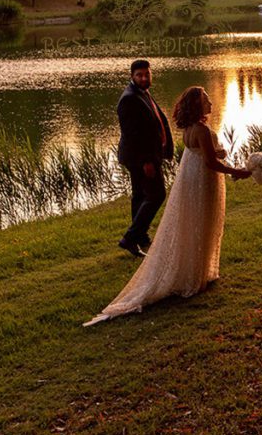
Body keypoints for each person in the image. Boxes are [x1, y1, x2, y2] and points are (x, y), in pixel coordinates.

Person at [84, 86, 251, 326]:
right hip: (204, 179)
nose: (211, 102)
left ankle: (198, 271)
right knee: (202, 223)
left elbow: (202, 153)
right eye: (206, 99)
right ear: (197, 105)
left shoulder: (189, 129)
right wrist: (238, 172)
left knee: (194, 222)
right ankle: (196, 278)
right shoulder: (202, 130)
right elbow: (211, 163)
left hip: (192, 179)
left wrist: (218, 151)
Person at [116, 59, 174, 257]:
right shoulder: (129, 99)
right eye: (139, 75)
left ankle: (140, 237)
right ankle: (130, 238)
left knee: (140, 195)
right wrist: (146, 162)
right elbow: (133, 136)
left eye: (146, 74)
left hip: (147, 155)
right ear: (132, 76)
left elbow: (157, 121)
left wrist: (166, 149)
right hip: (140, 158)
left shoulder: (142, 93)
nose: (144, 78)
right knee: (157, 195)